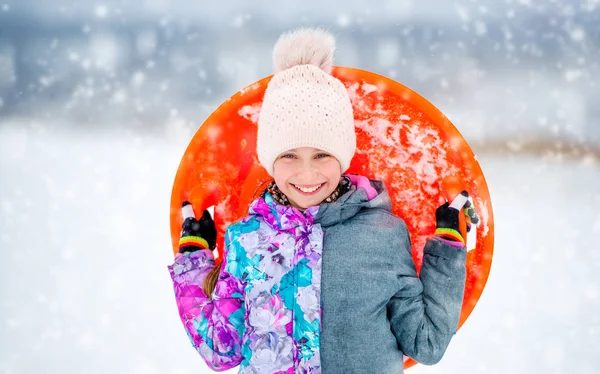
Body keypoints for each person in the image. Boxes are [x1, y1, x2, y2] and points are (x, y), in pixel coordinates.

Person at [168, 27, 474, 374]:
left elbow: (426, 344)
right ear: (269, 161)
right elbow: (220, 350)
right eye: (289, 156)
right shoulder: (247, 239)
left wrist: (448, 246)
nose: (307, 173)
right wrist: (193, 257)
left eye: (322, 155)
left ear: (343, 155)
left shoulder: (383, 235)